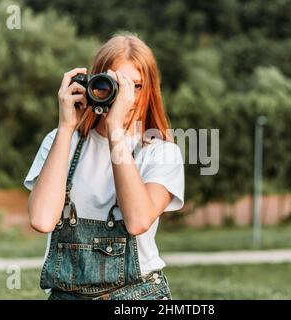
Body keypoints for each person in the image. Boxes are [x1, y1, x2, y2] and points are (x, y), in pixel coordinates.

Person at [23, 33, 185, 300]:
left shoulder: (161, 152)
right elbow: (41, 220)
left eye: (136, 86)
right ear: (96, 84)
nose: (127, 98)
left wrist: (115, 132)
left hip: (137, 295)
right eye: (117, 85)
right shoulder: (59, 141)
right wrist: (66, 127)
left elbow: (137, 220)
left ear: (150, 90)